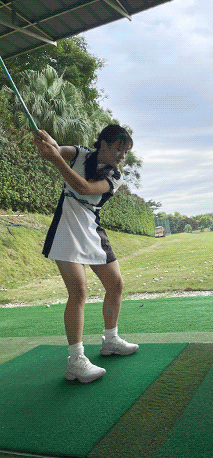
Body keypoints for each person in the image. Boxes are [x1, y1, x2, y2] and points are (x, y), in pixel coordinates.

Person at [32, 125, 140, 383]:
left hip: (92, 227)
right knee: (78, 292)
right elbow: (57, 150)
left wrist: (55, 157)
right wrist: (47, 142)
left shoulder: (115, 176)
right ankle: (76, 362)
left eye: (125, 152)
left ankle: (111, 340)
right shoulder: (80, 153)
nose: (122, 156)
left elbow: (84, 188)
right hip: (67, 227)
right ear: (102, 144)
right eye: (118, 149)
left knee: (115, 284)